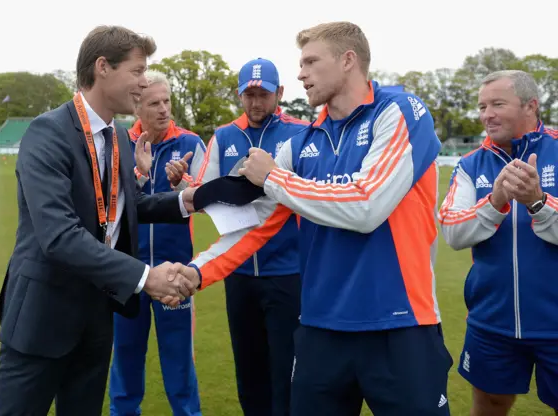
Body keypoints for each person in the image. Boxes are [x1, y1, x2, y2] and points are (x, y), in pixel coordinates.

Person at [170, 21, 452, 415]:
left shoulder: (400, 111)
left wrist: (272, 176)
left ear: (347, 60)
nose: (300, 72)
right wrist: (196, 272)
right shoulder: (301, 143)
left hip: (399, 324)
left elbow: (366, 205)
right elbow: (257, 225)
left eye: (310, 61)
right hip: (320, 330)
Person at [0, 26, 200, 416]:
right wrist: (145, 277)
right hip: (42, 318)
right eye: (137, 71)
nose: (143, 82)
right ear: (103, 67)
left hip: (97, 317)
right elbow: (59, 235)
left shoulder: (118, 136)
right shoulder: (47, 132)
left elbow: (128, 205)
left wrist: (188, 200)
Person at [190, 57, 309, 416]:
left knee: (286, 371)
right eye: (249, 94)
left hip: (288, 273)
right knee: (249, 368)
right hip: (238, 274)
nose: (256, 103)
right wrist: (186, 185)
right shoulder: (224, 136)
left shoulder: (300, 132)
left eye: (263, 94)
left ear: (280, 93)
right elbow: (202, 192)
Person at [439, 69, 558, 416]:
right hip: (492, 323)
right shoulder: (470, 163)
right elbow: (452, 231)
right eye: (481, 106)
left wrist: (538, 203)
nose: (486, 114)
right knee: (489, 405)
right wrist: (495, 202)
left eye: (497, 104)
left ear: (530, 106)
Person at [109, 70, 206, 416]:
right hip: (128, 272)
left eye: (167, 101)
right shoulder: (118, 142)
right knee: (125, 359)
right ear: (137, 106)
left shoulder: (191, 143)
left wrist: (184, 184)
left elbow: (204, 199)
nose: (164, 109)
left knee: (180, 365)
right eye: (154, 103)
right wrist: (140, 174)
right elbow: (111, 202)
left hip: (174, 272)